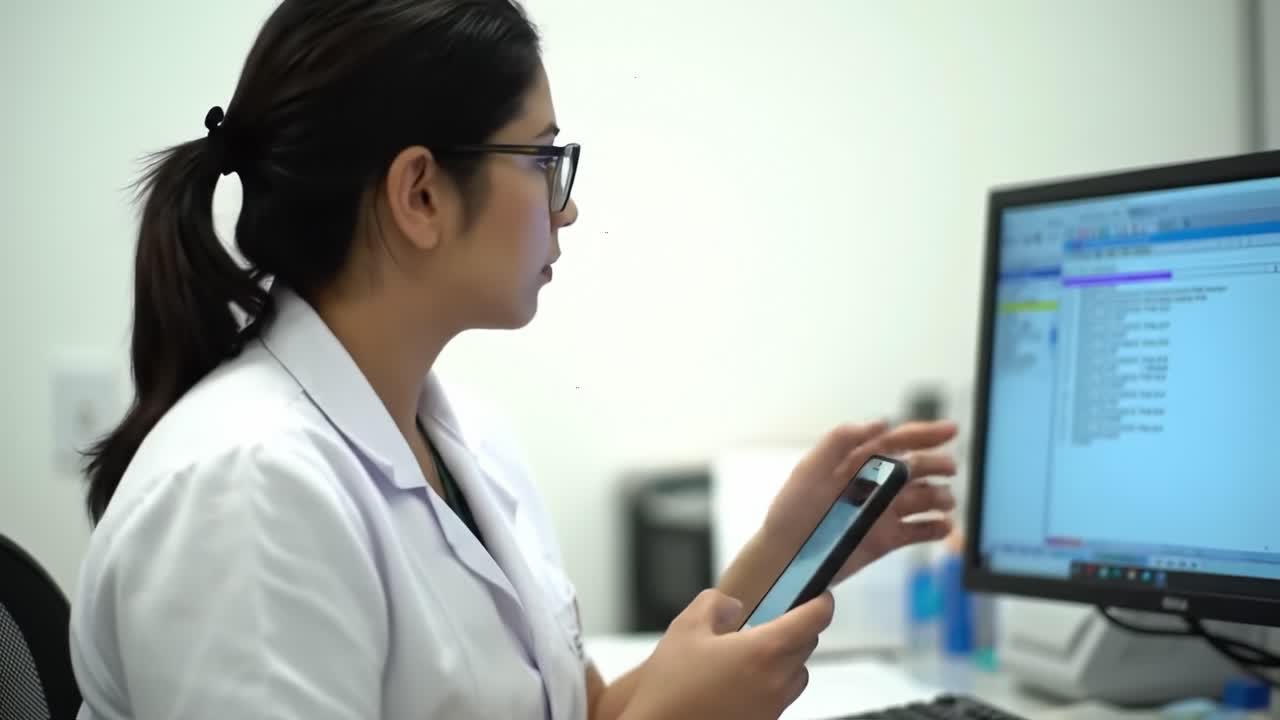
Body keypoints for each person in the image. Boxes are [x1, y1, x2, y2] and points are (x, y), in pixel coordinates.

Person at [69, 1, 960, 719]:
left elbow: (581, 710)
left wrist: (780, 552)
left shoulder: (459, 435)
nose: (564, 210)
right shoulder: (247, 495)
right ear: (419, 193)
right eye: (542, 159)